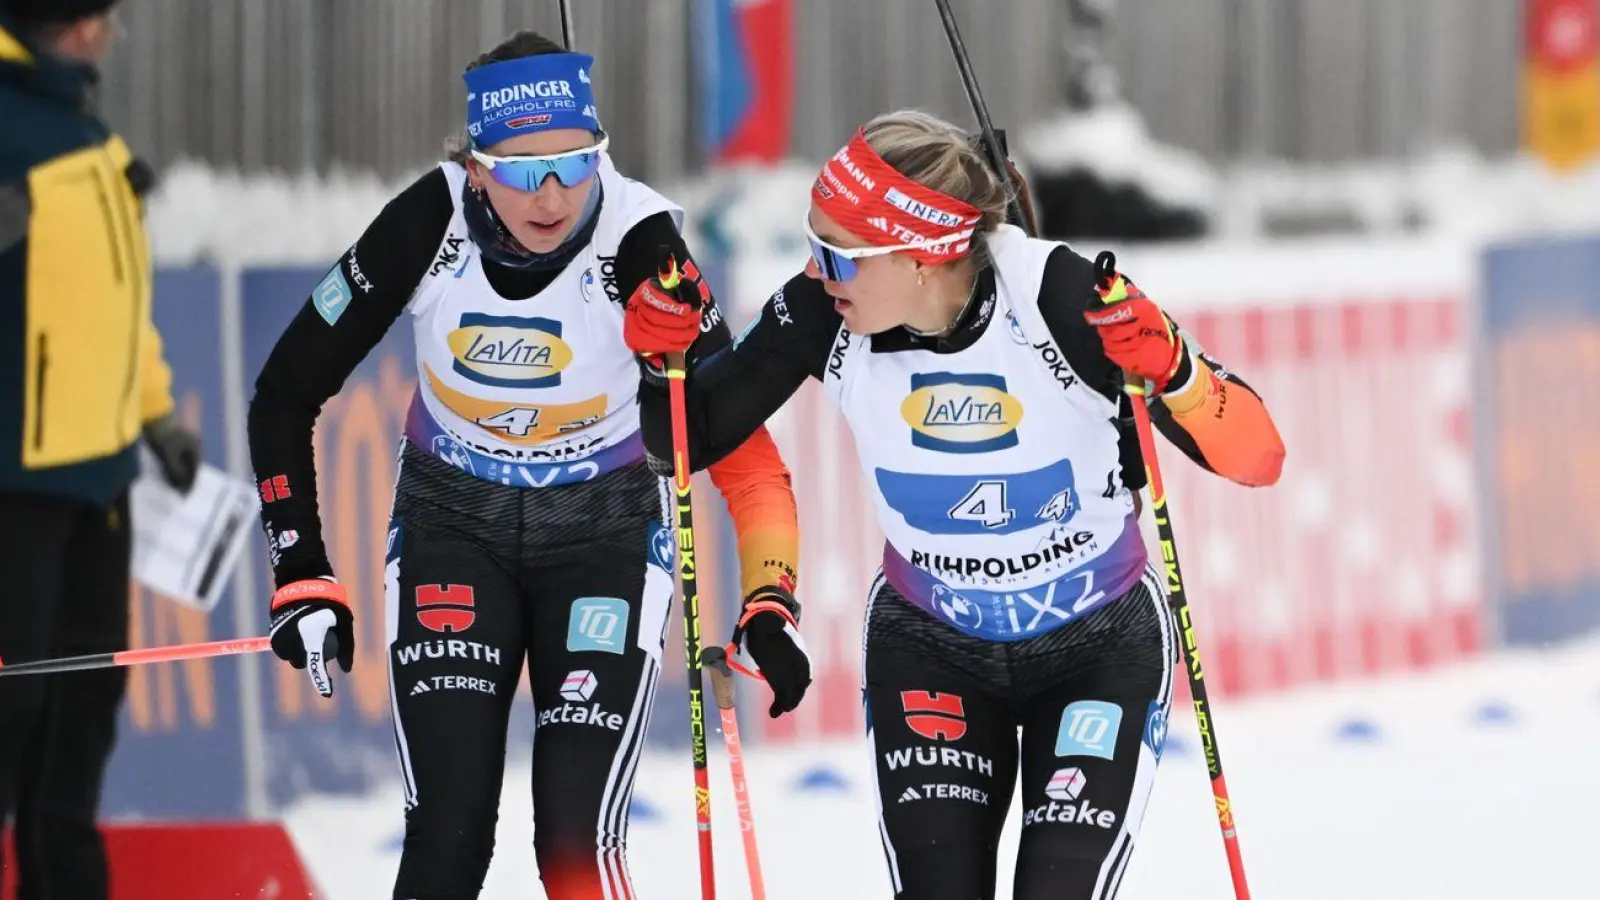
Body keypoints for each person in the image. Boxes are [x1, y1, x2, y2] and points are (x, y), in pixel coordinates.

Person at [623, 110, 1285, 899]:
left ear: (924, 255)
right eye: (811, 243)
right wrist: (659, 353)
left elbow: (1258, 457)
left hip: (1095, 644)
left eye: (837, 253)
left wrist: (1174, 371)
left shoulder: (1059, 296)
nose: (816, 270)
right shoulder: (822, 311)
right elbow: (683, 441)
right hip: (931, 642)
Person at [247, 29, 809, 900]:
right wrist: (300, 569)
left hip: (605, 537)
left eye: (575, 164)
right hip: (451, 524)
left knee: (575, 846)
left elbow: (739, 450)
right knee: (447, 834)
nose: (550, 195)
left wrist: (771, 594)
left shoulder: (640, 243)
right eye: (519, 171)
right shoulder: (425, 224)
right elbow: (284, 393)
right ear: (474, 168)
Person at [0, 0, 202, 896]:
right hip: (15, 483)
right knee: (12, 713)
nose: (110, 33)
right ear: (73, 25)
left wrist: (156, 415)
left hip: (100, 480)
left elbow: (113, 306)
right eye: (103, 17)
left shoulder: (84, 125)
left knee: (81, 717)